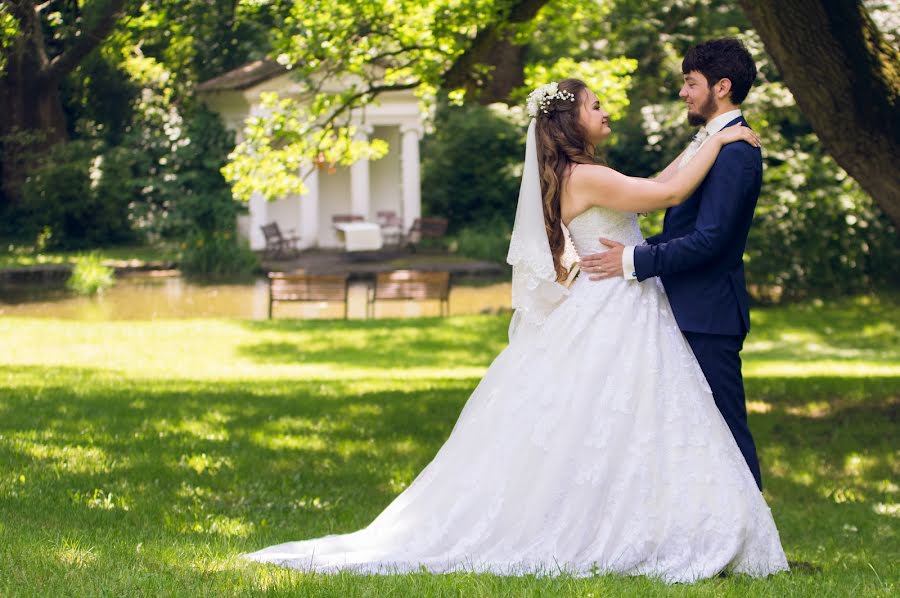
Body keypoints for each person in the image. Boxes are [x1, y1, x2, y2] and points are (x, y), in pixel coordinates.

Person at [239, 75, 790, 583]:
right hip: (614, 304)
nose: (605, 112)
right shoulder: (589, 177)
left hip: (619, 302)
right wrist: (719, 143)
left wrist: (710, 139)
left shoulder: (580, 173)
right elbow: (668, 195)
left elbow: (663, 179)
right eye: (595, 106)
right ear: (570, 122)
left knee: (617, 417)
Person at [579, 38, 766, 490]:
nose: (683, 92)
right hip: (682, 307)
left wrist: (633, 259)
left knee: (726, 430)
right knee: (692, 434)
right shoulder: (714, 145)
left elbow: (710, 242)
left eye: (690, 83)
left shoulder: (737, 154)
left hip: (709, 313)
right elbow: (681, 222)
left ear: (722, 87)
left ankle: (756, 548)